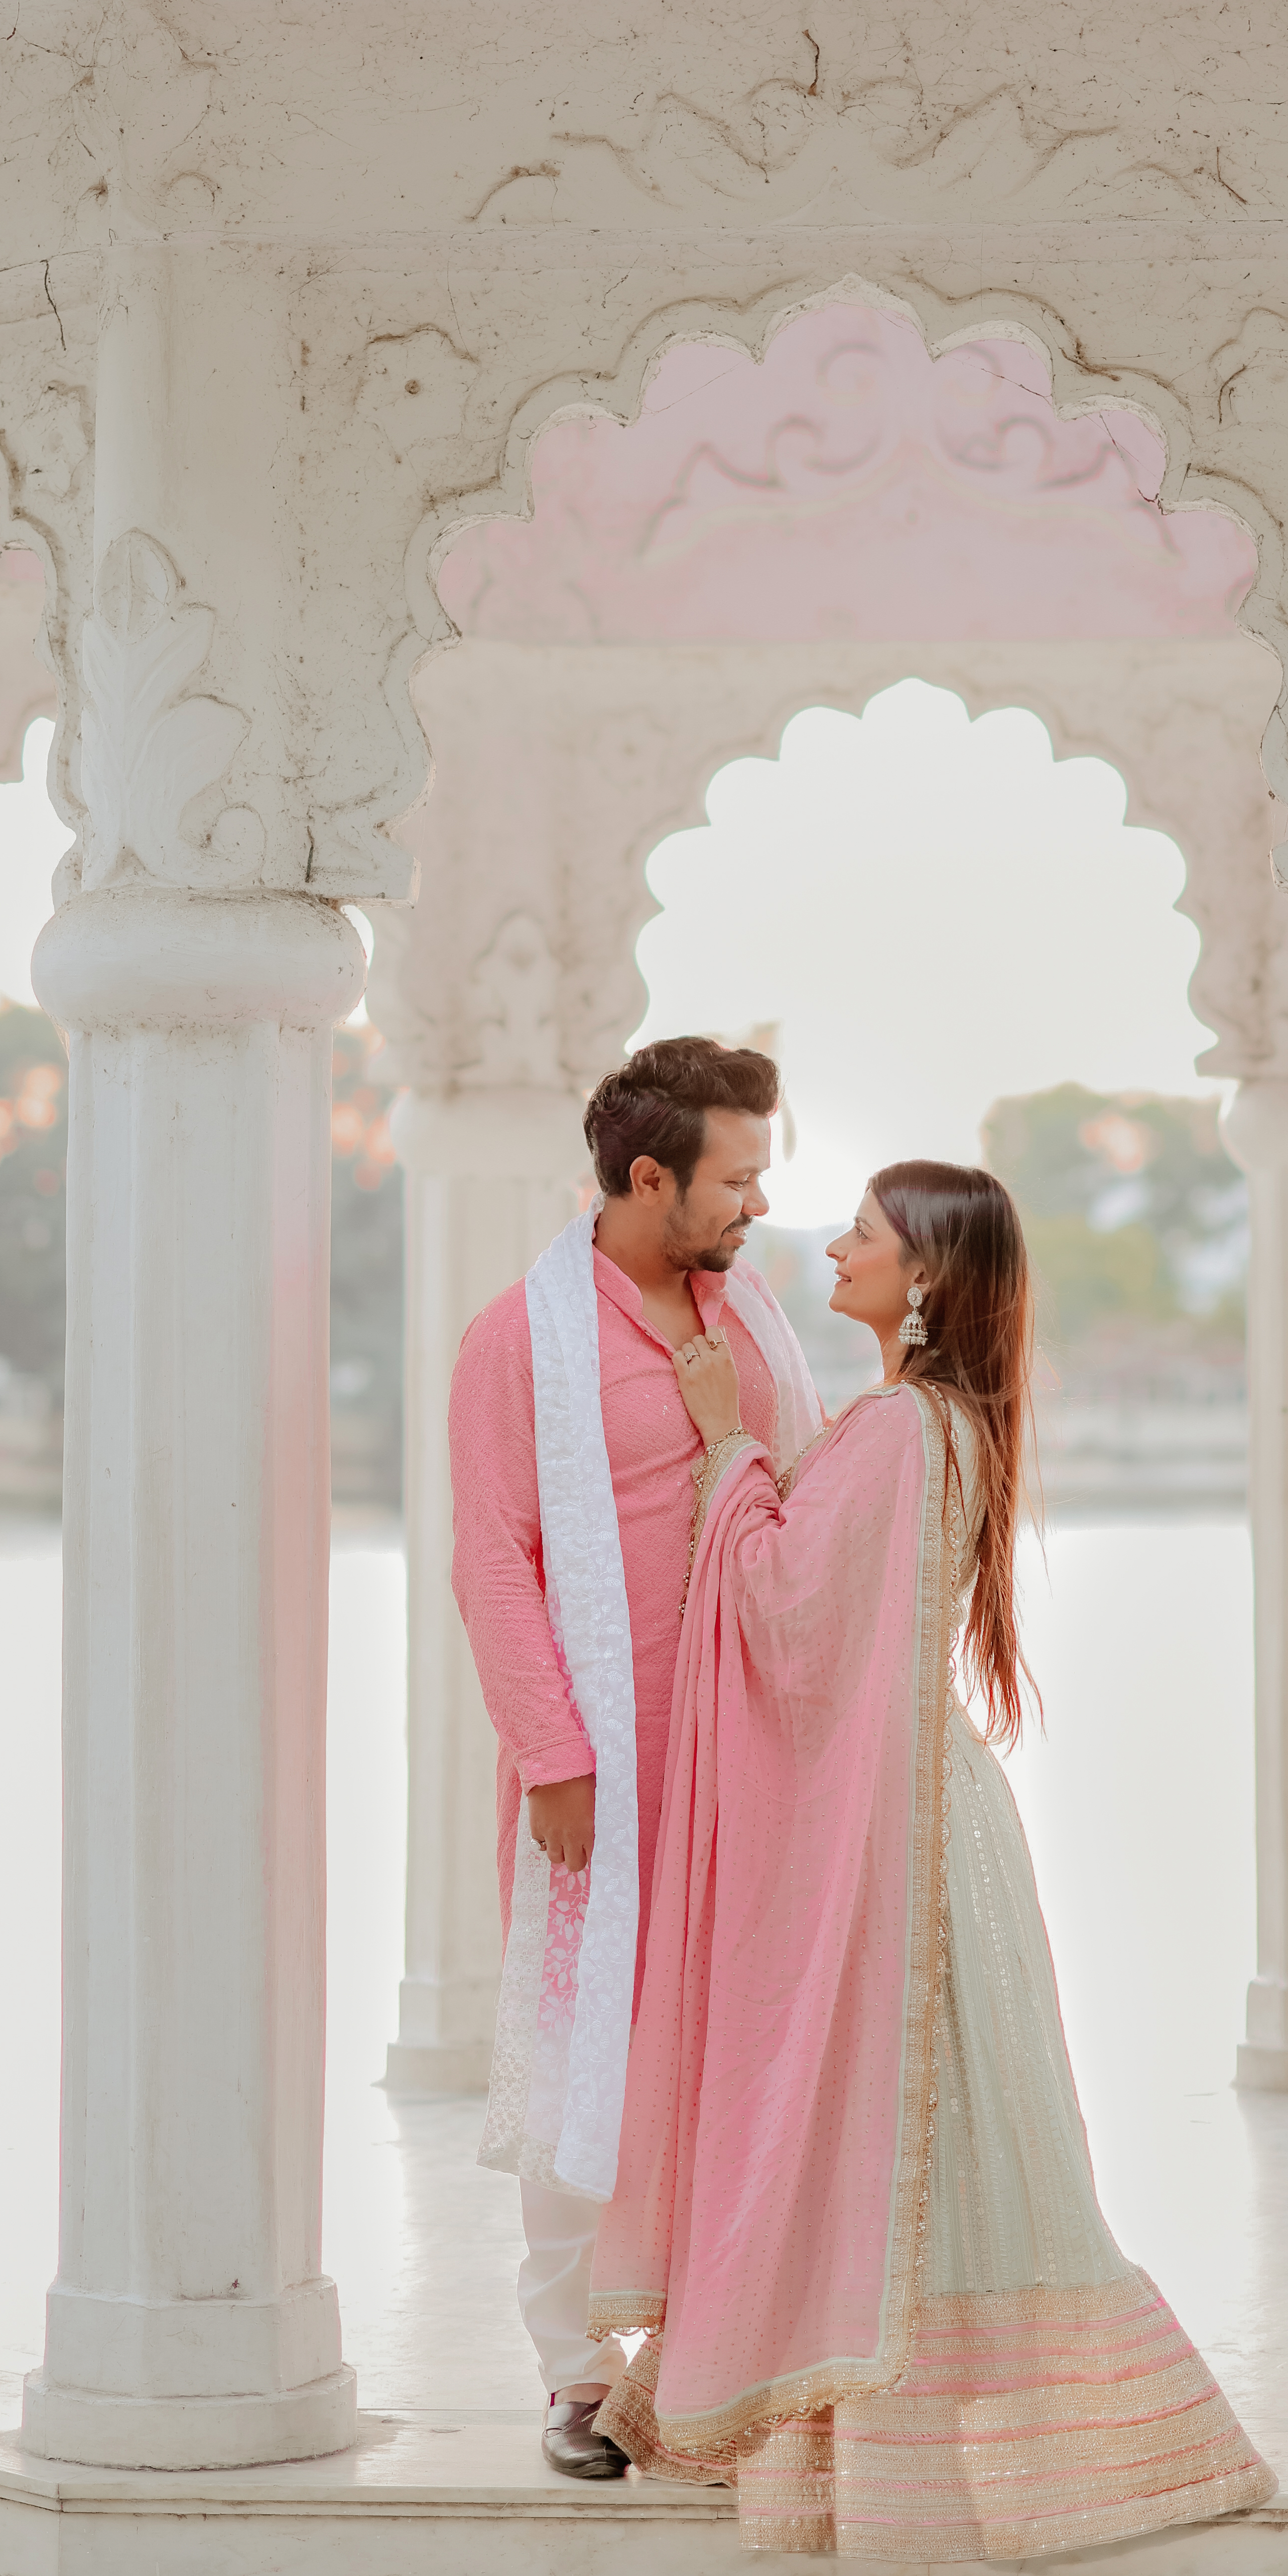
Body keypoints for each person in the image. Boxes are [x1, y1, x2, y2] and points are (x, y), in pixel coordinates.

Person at [591, 1161, 1276, 2560]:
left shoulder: (907, 1428)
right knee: (932, 2139)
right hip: (935, 1811)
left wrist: (727, 1451)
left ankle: (896, 2443)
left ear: (928, 1278)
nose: (836, 1247)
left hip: (913, 1833)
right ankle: (911, 2436)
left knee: (905, 2130)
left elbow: (791, 1612)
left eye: (866, 1235)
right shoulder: (926, 1421)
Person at [449, 1036, 821, 2481]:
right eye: (736, 1179)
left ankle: (714, 2355)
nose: (760, 1203)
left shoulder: (753, 1314)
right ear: (647, 1176)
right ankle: (573, 2373)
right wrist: (553, 1754)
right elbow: (492, 1558)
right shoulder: (519, 1342)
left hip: (750, 1755)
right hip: (599, 1769)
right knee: (581, 2052)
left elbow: (795, 1488)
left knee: (731, 2044)